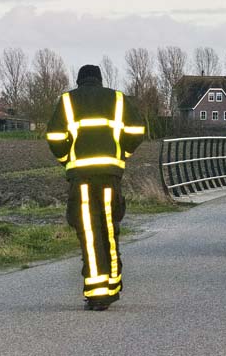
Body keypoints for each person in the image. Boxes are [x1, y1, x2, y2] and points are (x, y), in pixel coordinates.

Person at [46, 65, 145, 310]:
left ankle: (98, 293)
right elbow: (137, 130)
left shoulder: (68, 100)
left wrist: (66, 159)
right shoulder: (118, 99)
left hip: (82, 176)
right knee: (109, 228)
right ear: (100, 80)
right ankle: (112, 285)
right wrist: (122, 152)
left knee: (90, 233)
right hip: (110, 174)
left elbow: (55, 137)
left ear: (79, 81)